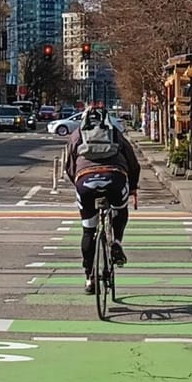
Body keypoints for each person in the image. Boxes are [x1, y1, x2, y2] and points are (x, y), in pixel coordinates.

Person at [62, 106, 140, 293]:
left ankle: (89, 277)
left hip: (86, 181)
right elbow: (133, 164)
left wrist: (79, 184)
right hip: (115, 178)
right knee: (120, 210)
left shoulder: (77, 135)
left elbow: (69, 166)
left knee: (88, 230)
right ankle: (117, 242)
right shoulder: (115, 133)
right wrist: (133, 187)